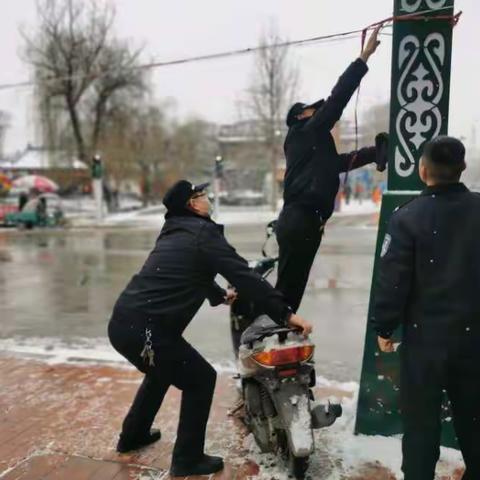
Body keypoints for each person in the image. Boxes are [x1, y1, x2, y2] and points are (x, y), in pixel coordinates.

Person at [108, 180, 312, 477]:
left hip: (124, 324)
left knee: (161, 370)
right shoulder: (202, 233)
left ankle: (133, 435)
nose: (208, 198)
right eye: (202, 195)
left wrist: (220, 296)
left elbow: (191, 270)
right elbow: (242, 274)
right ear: (193, 204)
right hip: (148, 331)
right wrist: (286, 314)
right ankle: (187, 460)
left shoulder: (176, 230)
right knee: (200, 379)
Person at [371, 136, 480, 479]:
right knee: (475, 420)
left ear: (422, 170)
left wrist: (384, 328)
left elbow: (393, 282)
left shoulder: (407, 218)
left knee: (420, 426)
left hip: (425, 343)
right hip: (474, 339)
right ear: (462, 168)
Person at [276, 25, 388, 313]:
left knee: (292, 287)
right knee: (288, 287)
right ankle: (265, 332)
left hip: (308, 221)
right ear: (300, 116)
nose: (320, 110)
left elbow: (340, 162)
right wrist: (363, 58)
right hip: (300, 218)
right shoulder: (304, 132)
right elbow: (337, 99)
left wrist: (376, 153)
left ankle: (278, 331)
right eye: (314, 109)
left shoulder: (312, 145)